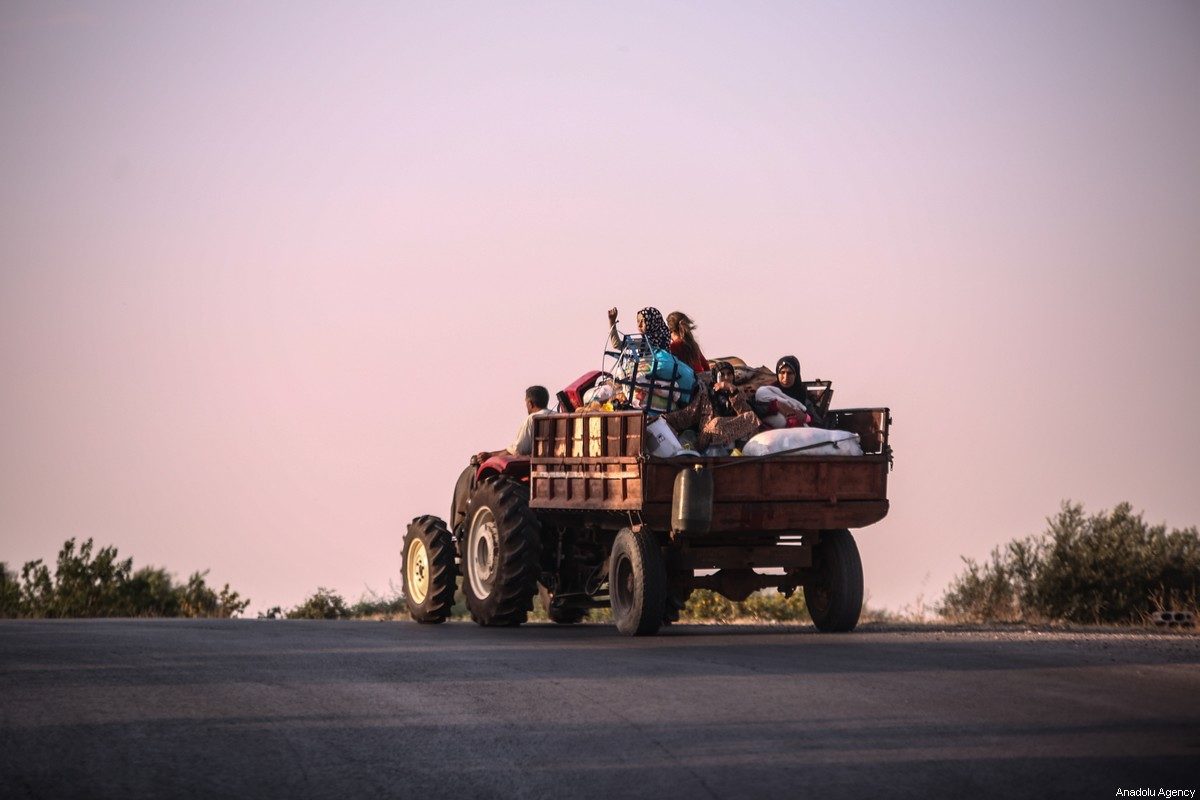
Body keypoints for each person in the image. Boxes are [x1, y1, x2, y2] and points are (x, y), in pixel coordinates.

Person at [662, 360, 760, 453]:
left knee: (751, 417)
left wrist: (732, 391)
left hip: (733, 433)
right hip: (710, 435)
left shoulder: (737, 392)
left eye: (729, 374)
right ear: (714, 378)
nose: (726, 378)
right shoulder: (706, 395)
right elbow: (689, 413)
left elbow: (746, 415)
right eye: (722, 375)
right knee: (717, 423)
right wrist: (665, 419)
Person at [476, 385, 553, 462]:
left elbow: (518, 450)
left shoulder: (532, 418)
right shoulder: (557, 415)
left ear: (530, 403)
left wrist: (490, 455)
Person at [754, 355, 811, 429]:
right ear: (777, 374)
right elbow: (758, 409)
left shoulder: (801, 393)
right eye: (782, 372)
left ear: (796, 375)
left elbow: (815, 418)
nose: (786, 377)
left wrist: (805, 417)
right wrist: (775, 406)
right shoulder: (770, 390)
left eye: (790, 373)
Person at [607, 306, 671, 352]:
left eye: (643, 321)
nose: (639, 325)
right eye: (638, 321)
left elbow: (617, 345)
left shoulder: (646, 343)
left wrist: (612, 322)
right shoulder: (666, 339)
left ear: (653, 322)